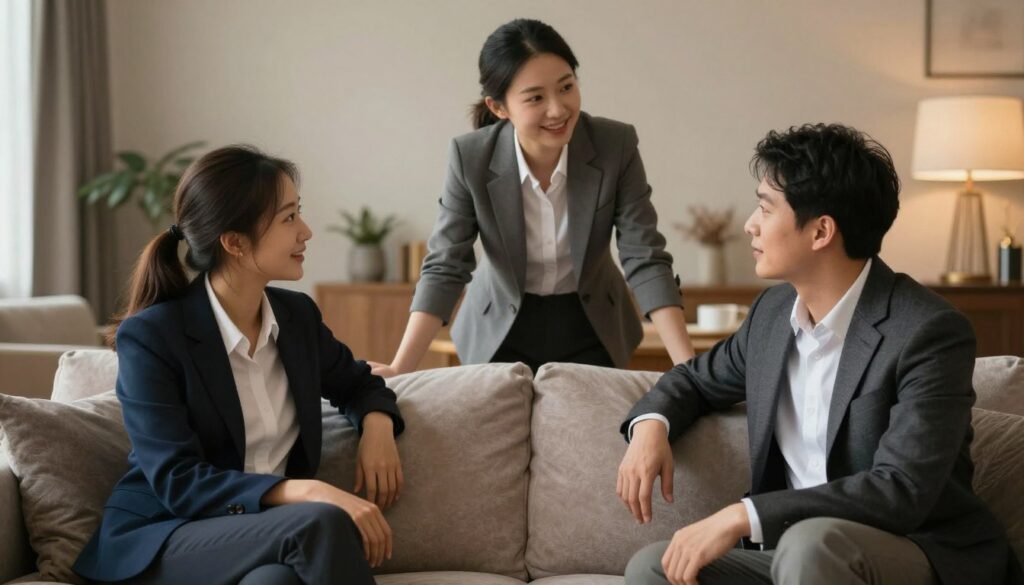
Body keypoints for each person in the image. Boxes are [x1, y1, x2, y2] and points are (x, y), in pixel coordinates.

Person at [618, 124, 1022, 585]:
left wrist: (741, 516)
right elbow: (693, 379)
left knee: (811, 545)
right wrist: (652, 426)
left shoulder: (927, 332)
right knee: (654, 568)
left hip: (913, 551)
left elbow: (902, 489)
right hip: (792, 555)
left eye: (765, 208)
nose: (750, 223)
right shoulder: (771, 315)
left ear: (821, 231)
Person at [73, 145, 405, 585]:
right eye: (289, 218)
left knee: (275, 583)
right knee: (320, 521)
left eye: (298, 213)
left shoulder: (297, 318)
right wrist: (308, 490)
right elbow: (177, 479)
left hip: (258, 538)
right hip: (165, 536)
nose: (305, 231)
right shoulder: (154, 336)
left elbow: (359, 383)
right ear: (234, 242)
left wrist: (378, 429)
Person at [371, 18, 694, 377]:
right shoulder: (470, 157)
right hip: (499, 329)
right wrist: (400, 367)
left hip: (592, 326)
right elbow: (446, 264)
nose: (558, 109)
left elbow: (644, 256)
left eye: (566, 87)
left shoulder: (614, 145)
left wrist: (688, 368)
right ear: (498, 107)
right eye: (536, 98)